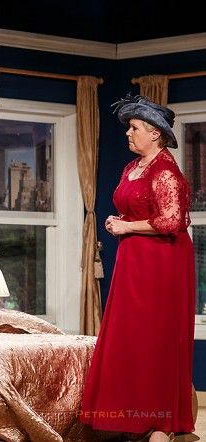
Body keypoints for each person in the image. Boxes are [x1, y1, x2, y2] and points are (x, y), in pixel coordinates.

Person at [80, 95, 195, 442]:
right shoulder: (132, 167)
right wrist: (120, 221)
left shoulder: (165, 171)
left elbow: (172, 220)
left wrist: (127, 226)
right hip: (133, 259)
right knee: (132, 337)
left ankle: (163, 422)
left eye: (134, 128)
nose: (128, 134)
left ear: (155, 133)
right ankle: (133, 416)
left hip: (163, 261)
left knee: (158, 338)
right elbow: (135, 208)